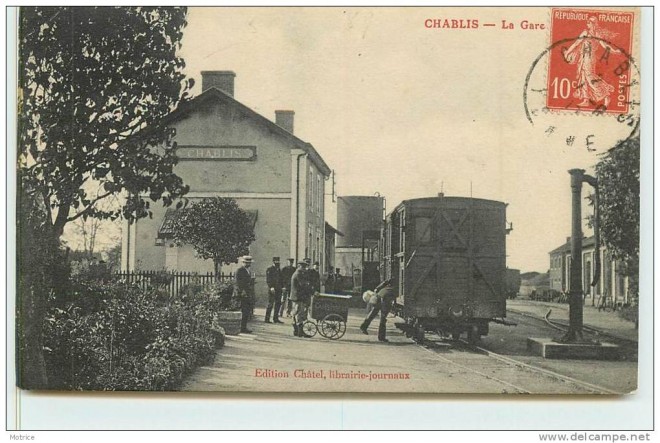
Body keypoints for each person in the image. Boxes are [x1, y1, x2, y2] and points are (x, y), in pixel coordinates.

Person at [562, 16, 620, 108]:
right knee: (583, 76)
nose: (587, 24)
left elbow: (604, 46)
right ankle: (586, 99)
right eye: (587, 22)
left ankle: (606, 95)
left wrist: (614, 51)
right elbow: (576, 43)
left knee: (589, 76)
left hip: (590, 58)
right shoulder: (585, 32)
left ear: (593, 24)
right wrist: (568, 52)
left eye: (589, 23)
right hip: (583, 57)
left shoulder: (597, 34)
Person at [289, 258, 313, 338]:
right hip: (298, 297)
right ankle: (300, 332)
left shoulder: (297, 273)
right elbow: (303, 285)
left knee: (295, 313)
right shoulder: (299, 274)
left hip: (296, 297)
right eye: (304, 267)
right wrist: (310, 287)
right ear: (300, 267)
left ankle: (296, 331)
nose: (305, 269)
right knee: (300, 314)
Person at [235, 255, 255, 334]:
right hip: (242, 294)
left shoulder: (248, 271)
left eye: (249, 263)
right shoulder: (240, 270)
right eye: (246, 262)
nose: (248, 264)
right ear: (243, 263)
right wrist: (242, 291)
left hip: (247, 293)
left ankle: (244, 327)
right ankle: (242, 328)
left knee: (246, 311)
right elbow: (238, 282)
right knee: (243, 311)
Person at [265, 257, 284, 324]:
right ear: (273, 262)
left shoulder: (279, 270)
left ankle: (275, 318)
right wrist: (271, 287)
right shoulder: (269, 269)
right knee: (270, 304)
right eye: (276, 261)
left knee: (278, 304)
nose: (277, 262)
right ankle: (267, 319)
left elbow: (281, 279)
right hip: (272, 289)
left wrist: (282, 287)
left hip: (279, 289)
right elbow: (268, 279)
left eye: (278, 261)